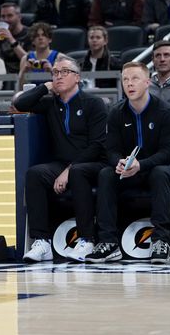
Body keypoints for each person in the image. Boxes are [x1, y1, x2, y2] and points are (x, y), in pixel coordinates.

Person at [84, 62, 170, 264]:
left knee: (160, 172)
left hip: (163, 168)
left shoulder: (167, 111)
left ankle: (161, 241)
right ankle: (108, 242)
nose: (129, 84)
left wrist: (141, 165)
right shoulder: (116, 112)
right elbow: (110, 150)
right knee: (106, 174)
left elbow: (168, 153)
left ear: (148, 82)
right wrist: (118, 163)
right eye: (126, 79)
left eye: (135, 78)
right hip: (130, 170)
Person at [14, 55, 107, 263]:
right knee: (35, 174)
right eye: (55, 72)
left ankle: (87, 239)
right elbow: (19, 103)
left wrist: (68, 170)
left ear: (77, 77)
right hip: (61, 164)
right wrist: (44, 87)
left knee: (77, 172)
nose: (58, 76)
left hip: (93, 163)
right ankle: (42, 242)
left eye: (64, 72)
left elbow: (97, 145)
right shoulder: (50, 103)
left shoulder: (94, 103)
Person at [0, 1, 30, 74]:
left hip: (25, 74)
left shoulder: (30, 34)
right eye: (3, 16)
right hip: (4, 75)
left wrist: (11, 39)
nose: (6, 20)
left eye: (10, 16)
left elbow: (29, 61)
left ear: (19, 17)